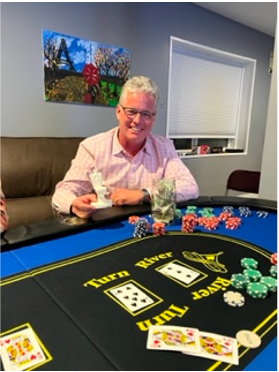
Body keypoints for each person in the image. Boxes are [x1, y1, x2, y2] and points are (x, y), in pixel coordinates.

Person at [52, 76, 199, 219]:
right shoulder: (92, 147)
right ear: (118, 112)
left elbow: (190, 186)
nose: (137, 120)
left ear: (153, 118)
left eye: (146, 114)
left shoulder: (164, 148)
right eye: (131, 112)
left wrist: (144, 194)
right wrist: (73, 204)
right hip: (109, 231)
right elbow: (64, 192)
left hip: (150, 230)